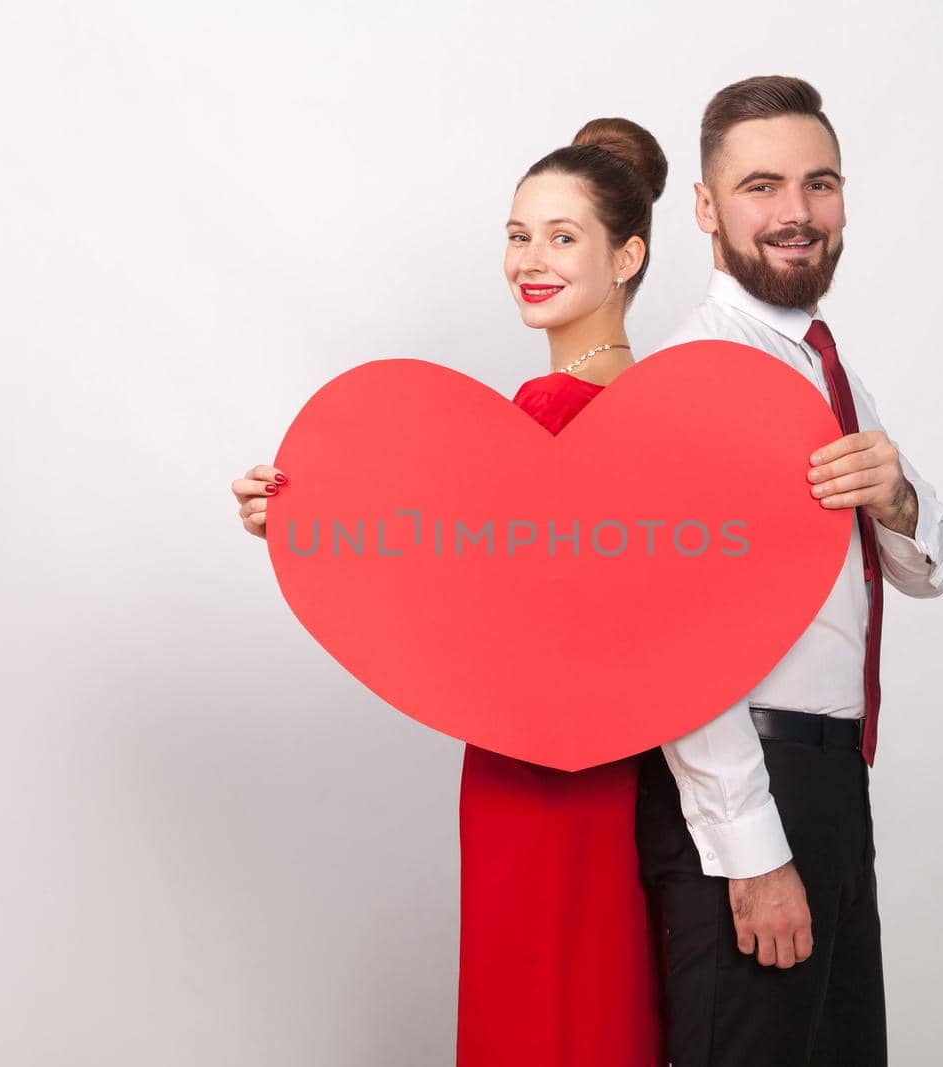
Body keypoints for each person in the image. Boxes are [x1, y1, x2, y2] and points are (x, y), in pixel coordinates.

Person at [231, 118, 669, 1065]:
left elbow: (453, 583)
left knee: (537, 1006)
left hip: (531, 765)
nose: (530, 261)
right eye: (518, 235)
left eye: (563, 237)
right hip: (625, 765)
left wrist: (310, 526)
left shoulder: (550, 411)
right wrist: (310, 520)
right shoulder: (659, 406)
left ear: (628, 255)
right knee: (607, 1000)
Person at [634, 75, 943, 1066]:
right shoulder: (695, 377)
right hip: (748, 792)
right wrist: (753, 851)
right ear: (704, 206)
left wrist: (897, 497)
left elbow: (925, 566)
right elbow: (669, 639)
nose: (794, 213)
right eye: (761, 185)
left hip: (829, 784)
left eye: (818, 184)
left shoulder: (820, 361)